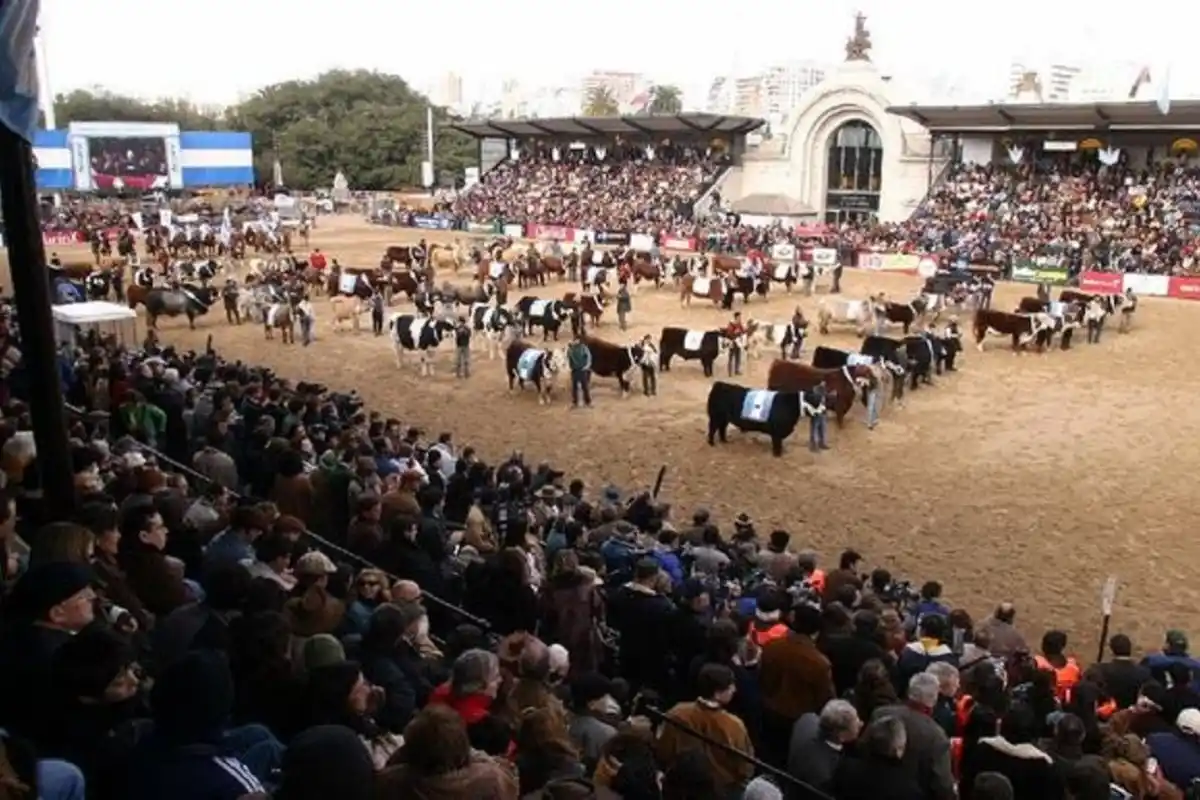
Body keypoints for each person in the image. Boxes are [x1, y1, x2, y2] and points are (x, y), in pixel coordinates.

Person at [566, 332, 592, 409]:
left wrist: (587, 366)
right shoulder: (571, 349)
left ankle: (588, 401)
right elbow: (568, 358)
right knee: (574, 387)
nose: (575, 341)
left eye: (576, 340)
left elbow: (589, 357)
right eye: (574, 340)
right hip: (574, 370)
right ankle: (575, 402)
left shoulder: (583, 348)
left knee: (585, 387)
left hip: (582, 370)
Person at [802, 384, 829, 453]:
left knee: (823, 427)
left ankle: (822, 443)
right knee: (815, 428)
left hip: (822, 410)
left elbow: (825, 397)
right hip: (815, 411)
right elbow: (807, 399)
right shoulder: (809, 388)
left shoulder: (821, 387)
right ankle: (814, 445)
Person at [725, 312, 746, 377]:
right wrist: (735, 333)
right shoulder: (731, 324)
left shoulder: (739, 324)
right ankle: (730, 372)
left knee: (738, 357)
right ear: (736, 317)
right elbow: (729, 333)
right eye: (739, 317)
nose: (740, 318)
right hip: (732, 342)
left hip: (738, 342)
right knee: (731, 357)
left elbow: (743, 331)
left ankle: (736, 370)